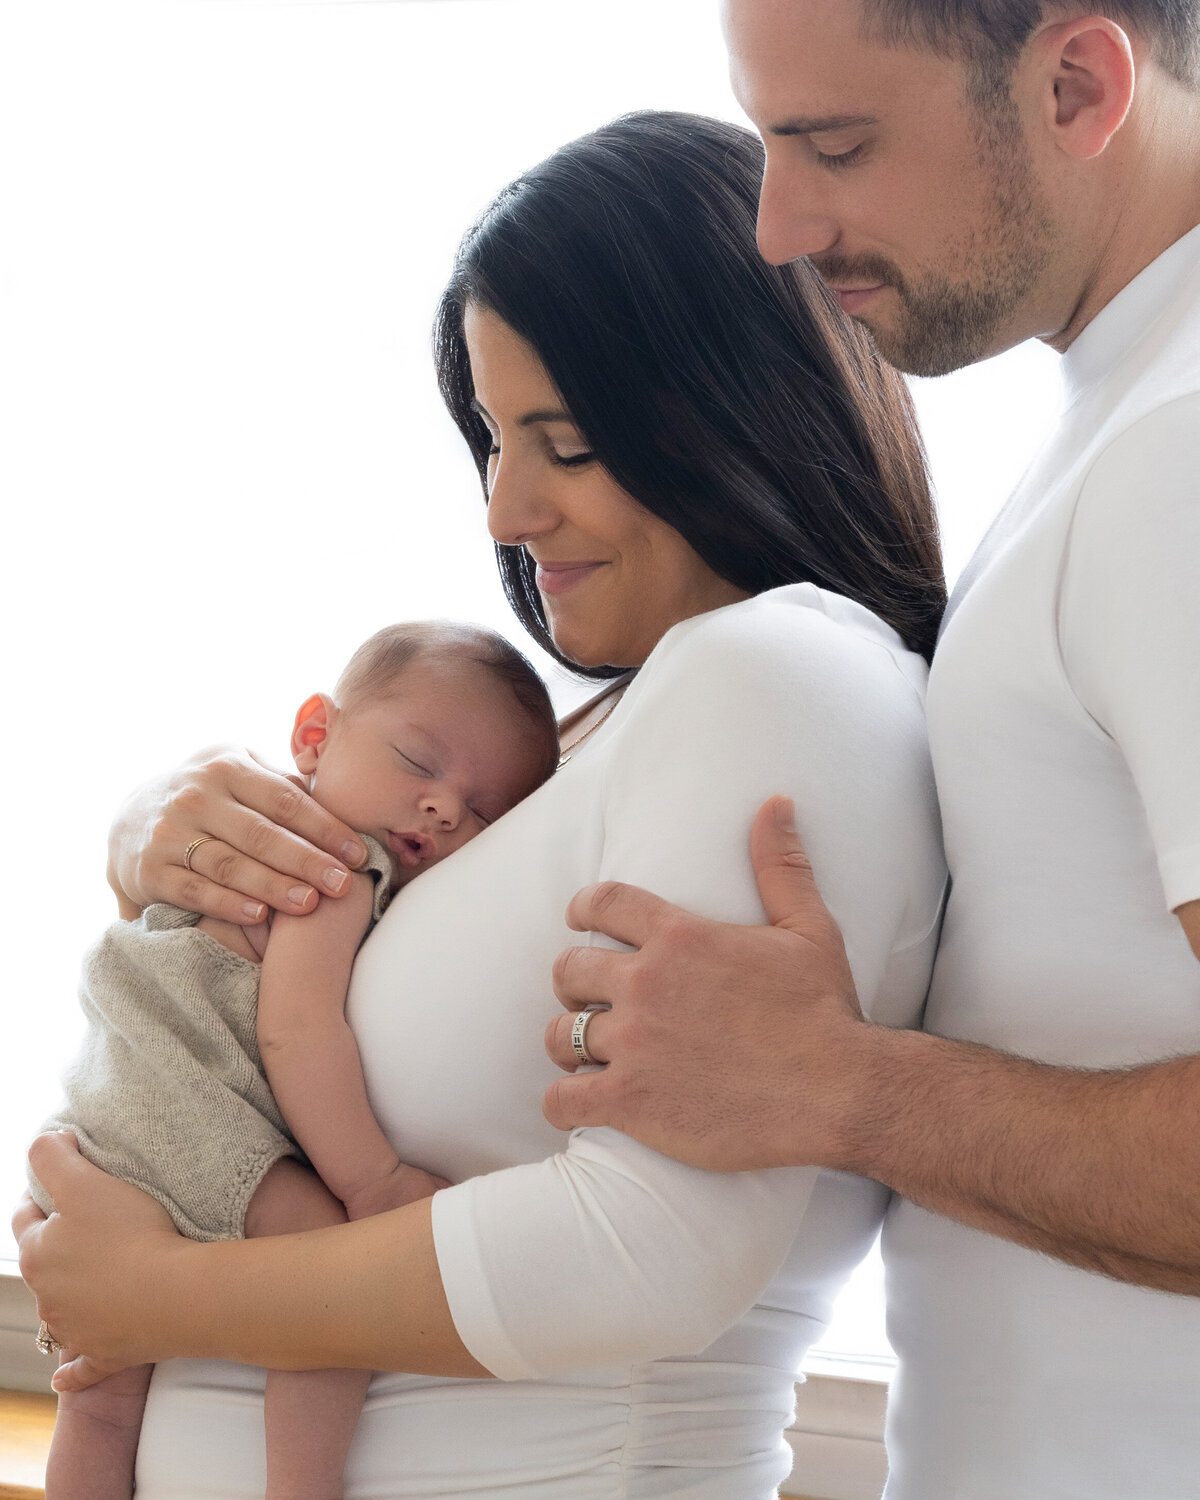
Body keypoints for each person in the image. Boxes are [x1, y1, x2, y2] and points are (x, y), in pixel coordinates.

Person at [16, 112, 947, 1499]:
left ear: (724, 406)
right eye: (491, 439)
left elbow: (651, 1251)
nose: (504, 510)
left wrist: (148, 1298)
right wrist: (163, 828)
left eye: (561, 443)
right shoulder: (614, 725)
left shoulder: (777, 669)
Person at [532, 6, 1200, 1499]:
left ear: (1079, 85)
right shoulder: (1115, 422)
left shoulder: (1179, 453)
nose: (779, 225)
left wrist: (834, 1086)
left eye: (835, 146)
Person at [30, 621, 559, 1500]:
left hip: (97, 1126)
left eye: (483, 811)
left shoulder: (259, 826)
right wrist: (375, 1180)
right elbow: (297, 1032)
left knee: (100, 1402)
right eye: (421, 764)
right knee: (324, 1296)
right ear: (316, 736)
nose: (443, 808)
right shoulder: (336, 869)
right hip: (178, 1114)